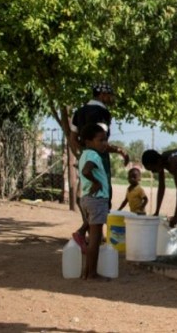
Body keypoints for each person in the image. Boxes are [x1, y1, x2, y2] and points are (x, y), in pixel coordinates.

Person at [69, 82, 130, 249]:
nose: (111, 99)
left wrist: (82, 155)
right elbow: (100, 141)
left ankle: (91, 234)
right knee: (102, 198)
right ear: (102, 95)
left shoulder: (79, 112)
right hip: (99, 161)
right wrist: (119, 150)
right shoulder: (103, 113)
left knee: (88, 197)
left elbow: (73, 139)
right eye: (110, 95)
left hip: (85, 159)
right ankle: (88, 235)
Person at [78, 123, 111, 280]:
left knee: (93, 238)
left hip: (87, 199)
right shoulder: (94, 155)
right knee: (95, 240)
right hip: (96, 200)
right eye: (101, 140)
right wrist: (96, 182)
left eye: (105, 140)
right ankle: (92, 273)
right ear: (88, 142)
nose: (105, 143)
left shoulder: (84, 154)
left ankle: (87, 271)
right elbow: (86, 171)